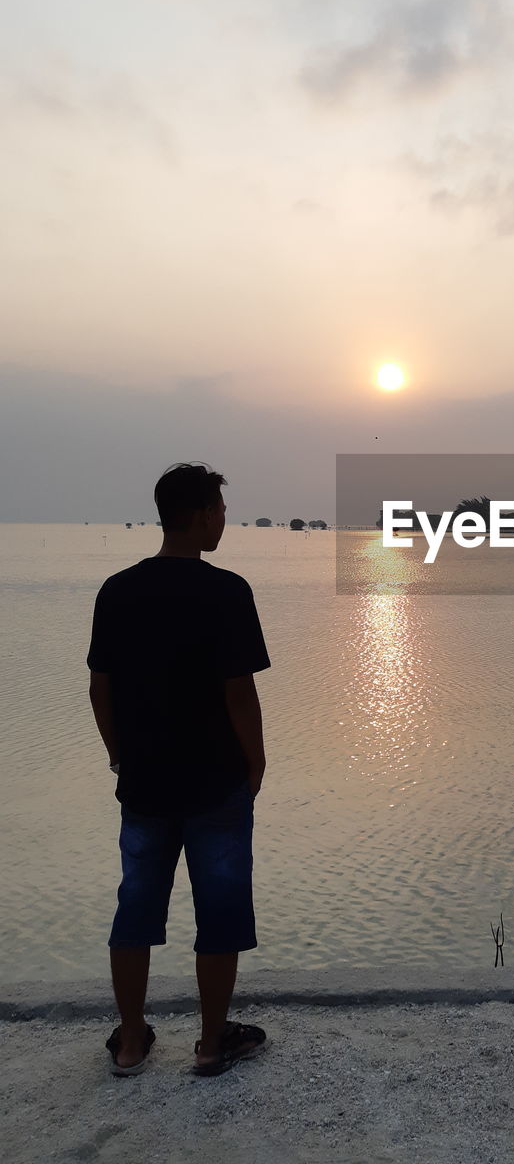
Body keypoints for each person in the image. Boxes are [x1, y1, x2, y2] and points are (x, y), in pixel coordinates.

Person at [87, 462, 271, 1077]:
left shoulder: (118, 590)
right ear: (197, 515)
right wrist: (257, 760)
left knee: (135, 905)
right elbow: (238, 690)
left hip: (144, 781)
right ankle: (213, 1043)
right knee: (219, 909)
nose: (225, 519)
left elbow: (100, 687)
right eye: (219, 509)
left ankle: (133, 1042)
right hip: (217, 779)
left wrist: (118, 752)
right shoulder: (227, 592)